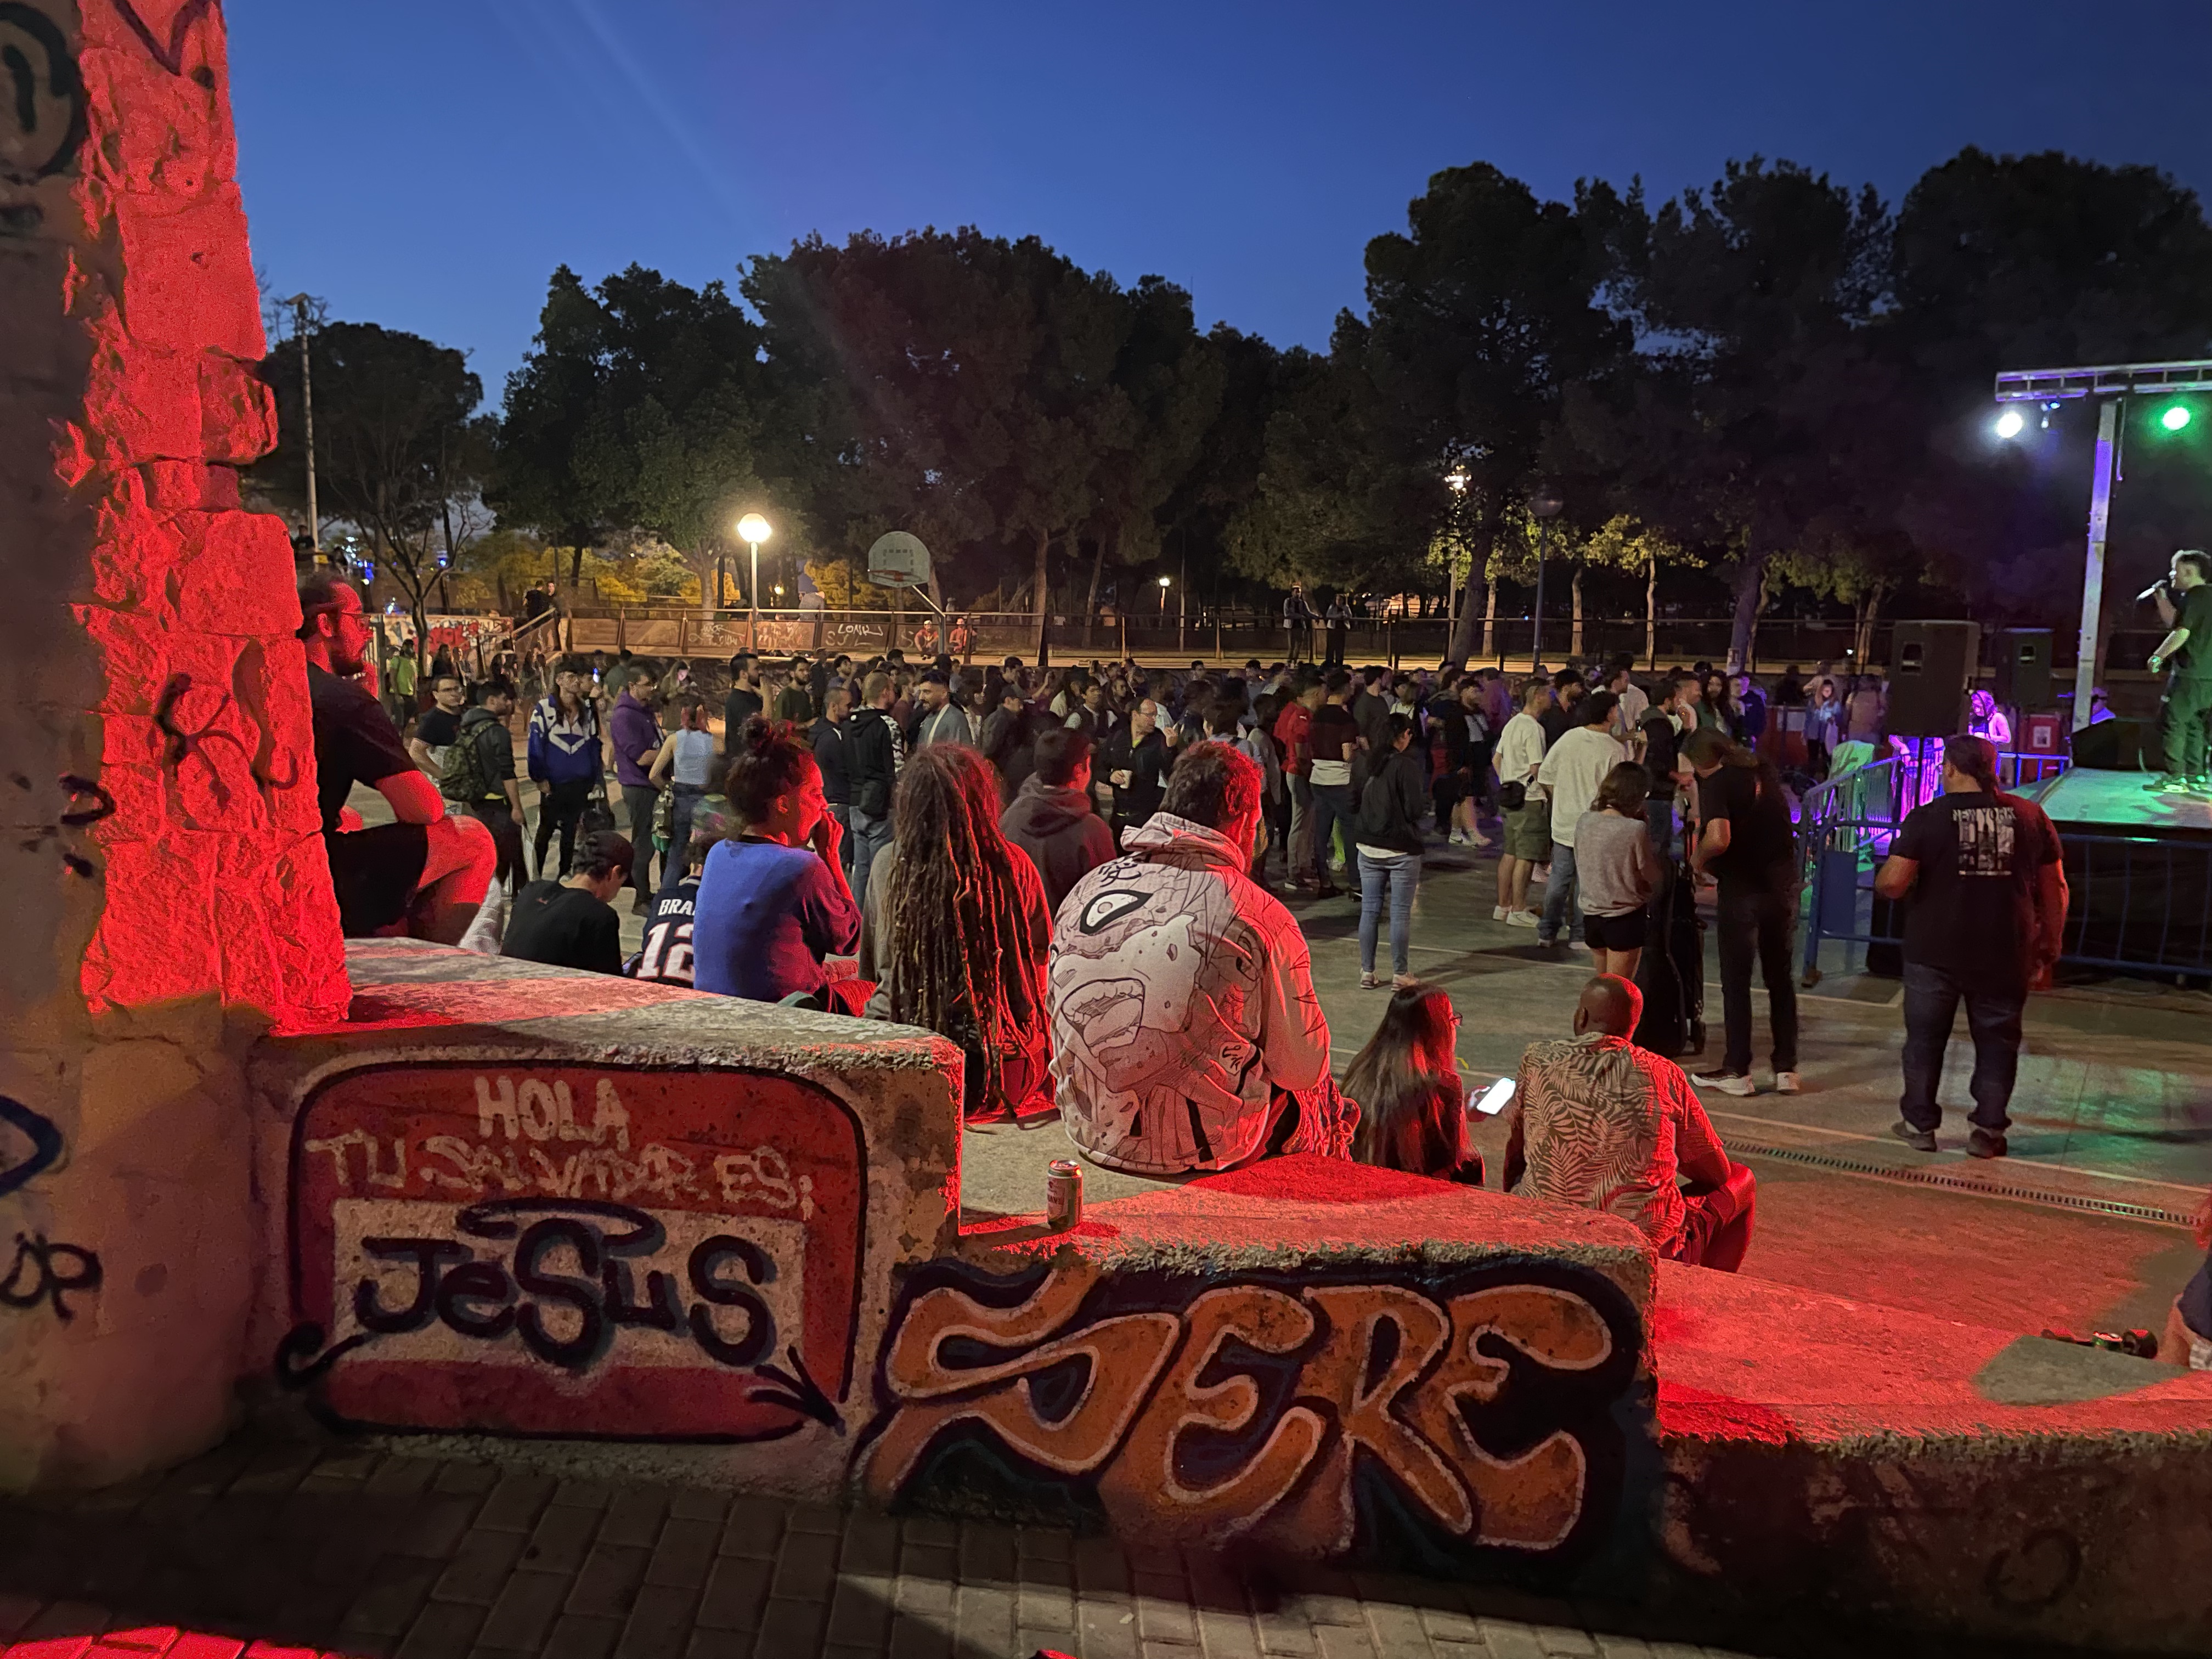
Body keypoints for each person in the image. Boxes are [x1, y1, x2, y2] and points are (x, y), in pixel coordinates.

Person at [1048, 741, 1354, 1175]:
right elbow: (1302, 1069)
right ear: (1243, 819)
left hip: (1086, 1127)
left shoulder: (1088, 887)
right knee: (1318, 1091)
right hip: (1207, 1147)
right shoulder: (1260, 913)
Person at [1875, 733, 2066, 1159]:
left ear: (1950, 768)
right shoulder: (2030, 815)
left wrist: (1887, 881)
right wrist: (2051, 940)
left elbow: (1894, 883)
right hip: (2005, 950)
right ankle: (1987, 1132)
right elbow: (2055, 887)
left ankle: (1919, 1126)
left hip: (1934, 951)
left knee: (1924, 1042)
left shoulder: (1928, 817)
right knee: (1998, 1043)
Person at [1506, 975, 1756, 1269]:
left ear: (1581, 1016)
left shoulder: (1537, 1059)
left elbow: (1516, 1153)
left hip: (1543, 1236)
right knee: (1741, 1178)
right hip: (1636, 1252)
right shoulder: (1664, 1073)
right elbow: (1716, 1173)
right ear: (1632, 1027)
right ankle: (1702, 1288)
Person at [859, 746, 1054, 1118]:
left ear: (910, 804)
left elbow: (870, 971)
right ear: (983, 800)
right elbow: (1039, 968)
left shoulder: (888, 864)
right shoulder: (1013, 865)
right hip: (1002, 1072)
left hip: (903, 1057)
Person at [299, 573, 495, 942]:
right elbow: (423, 809)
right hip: (311, 875)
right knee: (472, 838)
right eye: (358, 621)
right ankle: (422, 958)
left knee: (350, 818)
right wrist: (370, 712)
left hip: (277, 854)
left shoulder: (281, 681)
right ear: (325, 624)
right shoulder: (344, 701)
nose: (366, 633)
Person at [692, 716, 863, 1008]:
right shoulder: (801, 867)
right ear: (783, 804)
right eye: (815, 794)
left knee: (850, 970)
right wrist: (830, 856)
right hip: (782, 1011)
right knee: (874, 987)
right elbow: (850, 939)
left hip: (723, 1005)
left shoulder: (719, 853)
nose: (823, 805)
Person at [1684, 728, 1800, 1097]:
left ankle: (1738, 1069)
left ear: (1702, 762)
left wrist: (1697, 860)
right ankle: (1786, 1068)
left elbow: (1719, 838)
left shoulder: (1718, 783)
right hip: (1781, 888)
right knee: (1780, 980)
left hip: (1743, 890)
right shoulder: (1764, 773)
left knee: (1737, 982)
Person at [1344, 984, 1482, 1184]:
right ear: (1437, 1030)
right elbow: (1447, 1165)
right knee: (1473, 1166)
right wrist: (1456, 1111)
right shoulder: (1442, 1084)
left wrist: (1461, 1110)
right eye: (1452, 1020)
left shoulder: (1361, 1068)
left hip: (1358, 1180)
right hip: (1407, 1190)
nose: (1455, 1027)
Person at [1534, 691, 1625, 950]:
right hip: (1595, 825)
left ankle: (1547, 933)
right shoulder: (1614, 749)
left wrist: (1562, 799)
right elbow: (1620, 790)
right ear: (1609, 713)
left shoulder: (1569, 738)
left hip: (1564, 821)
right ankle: (1578, 935)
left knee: (1559, 878)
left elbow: (1545, 776)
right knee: (1586, 882)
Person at [1000, 726, 1116, 918]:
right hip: (1070, 932)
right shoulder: (1092, 830)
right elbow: (1105, 898)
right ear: (1079, 770)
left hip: (1021, 931)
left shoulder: (1010, 818)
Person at [1354, 713, 1427, 991]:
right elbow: (1414, 809)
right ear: (1404, 735)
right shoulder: (1405, 765)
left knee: (1370, 910)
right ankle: (1400, 973)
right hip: (1400, 848)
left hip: (1368, 846)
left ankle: (1367, 972)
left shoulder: (1367, 763)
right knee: (1399, 913)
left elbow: (1352, 799)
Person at [502, 831, 633, 975]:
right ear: (614, 873)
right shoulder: (600, 915)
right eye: (621, 883)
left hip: (503, 982)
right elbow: (610, 981)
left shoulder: (531, 891)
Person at [1576, 763, 1662, 980]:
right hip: (1624, 917)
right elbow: (1650, 874)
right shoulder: (1635, 829)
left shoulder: (1584, 821)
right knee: (1620, 990)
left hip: (1592, 914)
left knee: (1603, 988)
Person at [526, 655, 607, 883]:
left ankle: (564, 874)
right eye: (571, 677)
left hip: (579, 782)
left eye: (578, 678)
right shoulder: (544, 709)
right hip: (554, 783)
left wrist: (594, 777)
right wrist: (539, 777)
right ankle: (535, 877)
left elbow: (593, 744)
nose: (576, 682)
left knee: (571, 830)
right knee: (546, 830)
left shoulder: (586, 711)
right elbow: (535, 745)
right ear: (559, 680)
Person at [440, 679, 526, 889]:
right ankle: (503, 896)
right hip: (496, 801)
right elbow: (507, 772)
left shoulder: (466, 726)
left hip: (476, 799)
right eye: (504, 699)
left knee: (501, 851)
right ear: (492, 701)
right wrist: (517, 807)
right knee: (509, 853)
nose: (508, 703)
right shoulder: (498, 732)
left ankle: (501, 893)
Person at [2146, 549, 2212, 792]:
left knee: (2174, 721)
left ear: (2189, 572)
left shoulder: (2194, 597)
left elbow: (2182, 631)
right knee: (2195, 723)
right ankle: (2196, 774)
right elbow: (2179, 622)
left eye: (2176, 570)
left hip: (2190, 672)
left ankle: (2175, 777)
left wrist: (2158, 655)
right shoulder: (2207, 597)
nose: (2172, 575)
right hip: (2209, 676)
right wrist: (2162, 599)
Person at [1495, 678, 1553, 927]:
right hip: (1529, 800)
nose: (1550, 698)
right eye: (1548, 693)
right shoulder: (1534, 728)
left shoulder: (1513, 723)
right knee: (1526, 856)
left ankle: (1503, 906)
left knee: (1510, 853)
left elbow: (1497, 759)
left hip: (1510, 798)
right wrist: (1549, 793)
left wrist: (1508, 783)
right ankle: (1518, 910)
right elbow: (1537, 768)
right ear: (1538, 695)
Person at [648, 696, 719, 892]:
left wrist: (667, 788)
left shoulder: (674, 739)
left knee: (676, 852)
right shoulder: (715, 742)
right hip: (705, 798)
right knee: (705, 852)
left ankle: (666, 895)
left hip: (680, 797)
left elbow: (653, 775)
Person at [847, 670, 905, 902]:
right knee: (881, 868)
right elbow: (898, 768)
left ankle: (858, 918)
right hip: (880, 804)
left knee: (861, 870)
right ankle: (878, 918)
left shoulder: (849, 723)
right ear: (885, 693)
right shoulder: (888, 725)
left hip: (855, 801)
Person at [609, 665, 664, 905]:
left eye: (653, 684)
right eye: (647, 684)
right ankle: (641, 899)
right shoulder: (624, 716)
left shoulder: (643, 711)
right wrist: (674, 750)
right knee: (644, 844)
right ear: (632, 686)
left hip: (650, 784)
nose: (651, 689)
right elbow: (641, 757)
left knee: (652, 842)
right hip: (638, 786)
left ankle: (644, 891)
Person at [1306, 671, 1362, 896]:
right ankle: (1356, 883)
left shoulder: (1316, 715)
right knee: (1350, 832)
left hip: (1318, 777)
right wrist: (1357, 750)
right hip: (1340, 779)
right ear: (1346, 688)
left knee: (1321, 832)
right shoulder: (1346, 719)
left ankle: (1325, 882)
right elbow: (1347, 754)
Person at [1101, 696, 1173, 846]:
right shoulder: (1118, 737)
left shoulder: (1158, 740)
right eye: (1150, 715)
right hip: (1119, 813)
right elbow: (1099, 768)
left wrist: (1171, 749)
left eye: (1155, 715)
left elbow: (1171, 775)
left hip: (1146, 815)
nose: (1154, 720)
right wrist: (1110, 776)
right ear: (1135, 715)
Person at [1274, 677, 1321, 890]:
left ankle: (1303, 866)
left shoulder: (1304, 714)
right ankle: (1294, 872)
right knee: (1300, 823)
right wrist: (1308, 772)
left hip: (1300, 772)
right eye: (1323, 692)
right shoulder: (1301, 716)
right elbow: (1300, 749)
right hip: (1299, 773)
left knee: (1307, 822)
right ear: (1315, 695)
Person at [1640, 675, 1694, 856]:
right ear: (1667, 700)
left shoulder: (1651, 719)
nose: (1679, 705)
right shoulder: (1658, 724)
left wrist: (1685, 728)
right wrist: (1678, 777)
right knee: (1659, 844)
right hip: (1658, 791)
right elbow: (1657, 761)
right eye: (1677, 700)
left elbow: (1669, 748)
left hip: (1656, 790)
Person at [1438, 676, 1493, 849]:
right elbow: (1454, 742)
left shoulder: (1479, 713)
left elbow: (1487, 735)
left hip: (1479, 760)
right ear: (1463, 692)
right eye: (1474, 691)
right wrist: (1459, 764)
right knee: (1467, 797)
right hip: (1464, 762)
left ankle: (1456, 834)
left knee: (1461, 799)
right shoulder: (1455, 714)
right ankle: (1473, 833)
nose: (1478, 695)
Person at [408, 672, 466, 779]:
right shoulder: (432, 719)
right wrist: (444, 776)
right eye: (447, 690)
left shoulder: (466, 714)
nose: (453, 693)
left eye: (457, 689)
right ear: (436, 695)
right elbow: (415, 752)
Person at [723, 654, 764, 753]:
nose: (761, 672)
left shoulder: (752, 696)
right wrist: (768, 696)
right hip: (743, 758)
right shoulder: (738, 701)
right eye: (756, 669)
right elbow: (763, 726)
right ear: (744, 674)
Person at [1323, 595, 1352, 666]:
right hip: (1332, 629)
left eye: (1340, 600)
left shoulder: (1346, 607)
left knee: (1340, 647)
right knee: (1331, 646)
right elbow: (1328, 615)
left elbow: (1350, 615)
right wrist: (1337, 616)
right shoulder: (1332, 607)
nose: (1338, 601)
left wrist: (1345, 616)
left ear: (1343, 601)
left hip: (1341, 629)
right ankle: (1330, 662)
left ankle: (1339, 662)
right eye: (1337, 600)